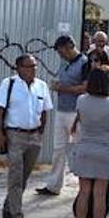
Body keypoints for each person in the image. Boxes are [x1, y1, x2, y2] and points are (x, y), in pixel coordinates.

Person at [0, 54, 52, 218]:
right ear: (19, 68)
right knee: (16, 175)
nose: (33, 69)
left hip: (34, 136)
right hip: (15, 135)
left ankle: (8, 207)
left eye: (34, 66)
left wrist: (41, 131)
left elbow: (45, 110)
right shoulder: (8, 84)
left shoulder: (41, 85)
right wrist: (0, 134)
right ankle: (17, 216)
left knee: (24, 176)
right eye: (29, 66)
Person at [70, 68, 109, 218]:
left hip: (84, 148)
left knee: (84, 192)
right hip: (104, 150)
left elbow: (78, 123)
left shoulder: (81, 100)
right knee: (100, 196)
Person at [36, 35, 88, 196]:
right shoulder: (64, 62)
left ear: (71, 46)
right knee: (58, 148)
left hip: (76, 112)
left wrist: (62, 88)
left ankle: (83, 186)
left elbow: (85, 88)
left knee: (78, 148)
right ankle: (54, 184)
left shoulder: (85, 63)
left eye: (62, 51)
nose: (61, 55)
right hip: (62, 110)